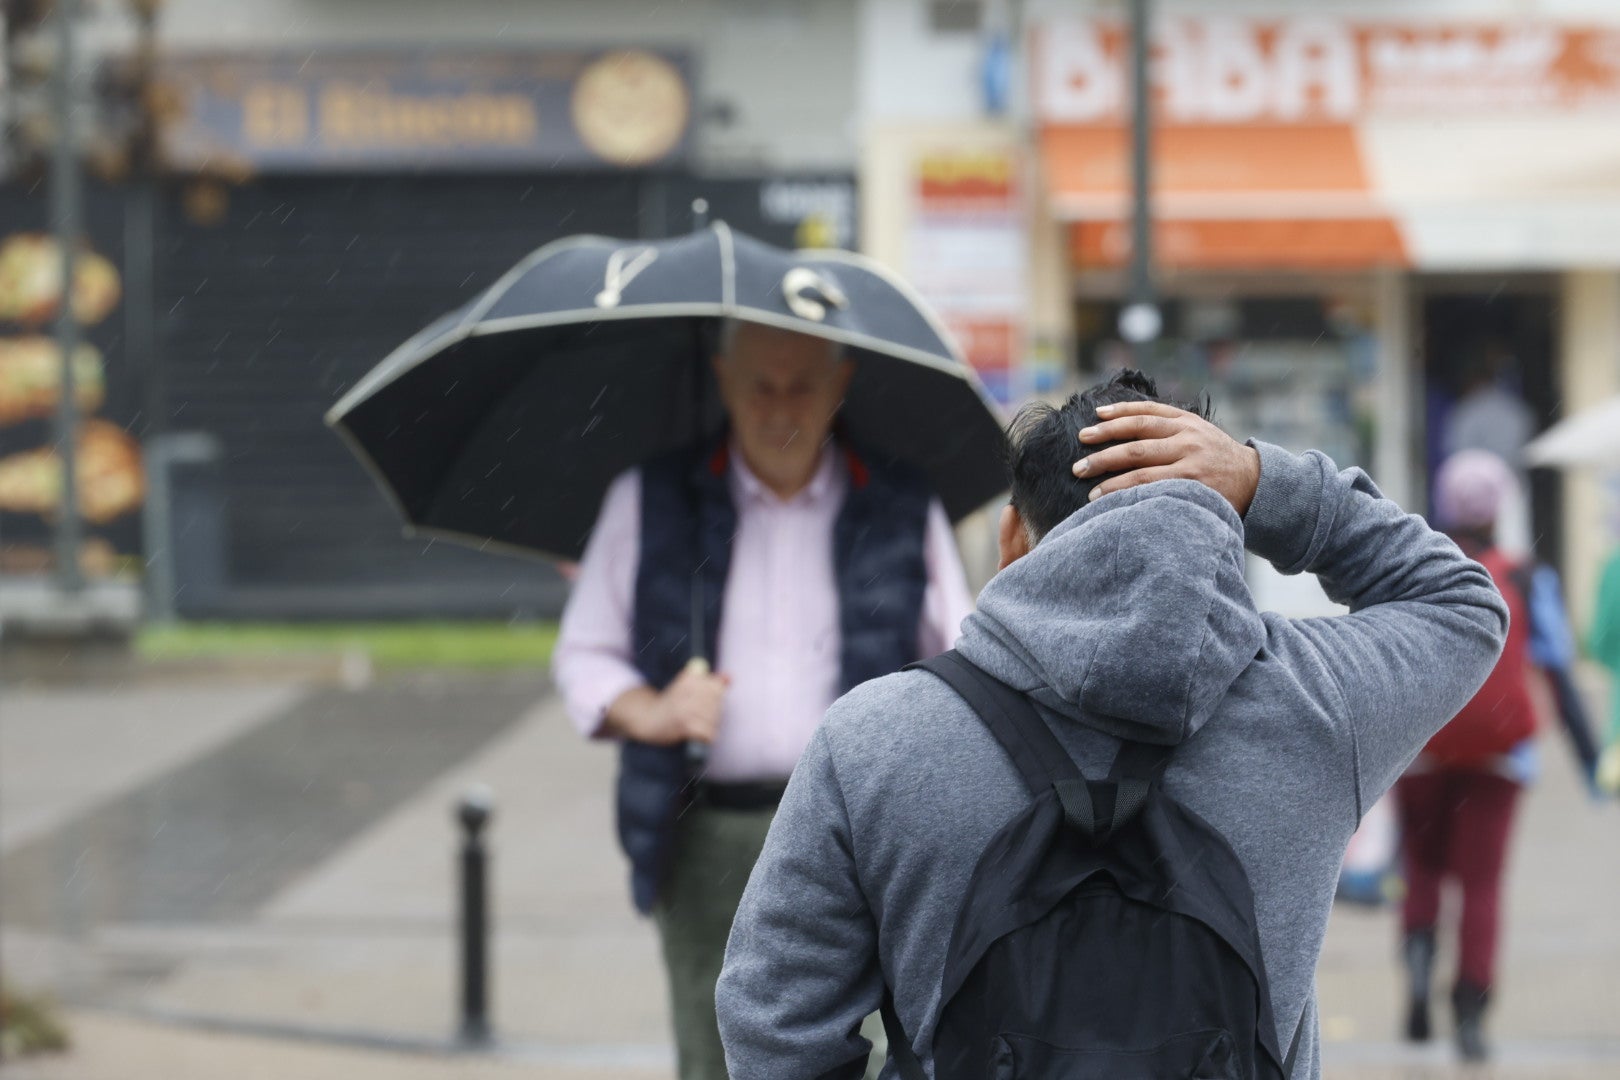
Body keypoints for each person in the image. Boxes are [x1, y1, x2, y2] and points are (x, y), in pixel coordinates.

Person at [716, 370, 1507, 1079]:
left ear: (1012, 540)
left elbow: (774, 1025)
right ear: (1217, 529)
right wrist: (1264, 481)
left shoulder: (874, 739)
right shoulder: (1318, 702)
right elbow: (1462, 603)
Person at [552, 319, 974, 1080]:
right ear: (723, 381)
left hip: (862, 832)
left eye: (802, 386)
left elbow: (963, 658)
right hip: (703, 828)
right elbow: (583, 653)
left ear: (839, 386)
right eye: (761, 386)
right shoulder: (652, 498)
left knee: (866, 1046)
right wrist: (649, 711)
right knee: (710, 1045)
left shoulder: (901, 502)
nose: (781, 408)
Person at [1395, 449, 1602, 1063]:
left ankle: (1416, 971)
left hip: (1422, 750)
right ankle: (1470, 1014)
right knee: (1482, 886)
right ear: (1501, 509)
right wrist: (1593, 763)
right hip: (1501, 758)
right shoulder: (1527, 575)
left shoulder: (1414, 566)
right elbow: (1559, 671)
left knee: (1422, 871)